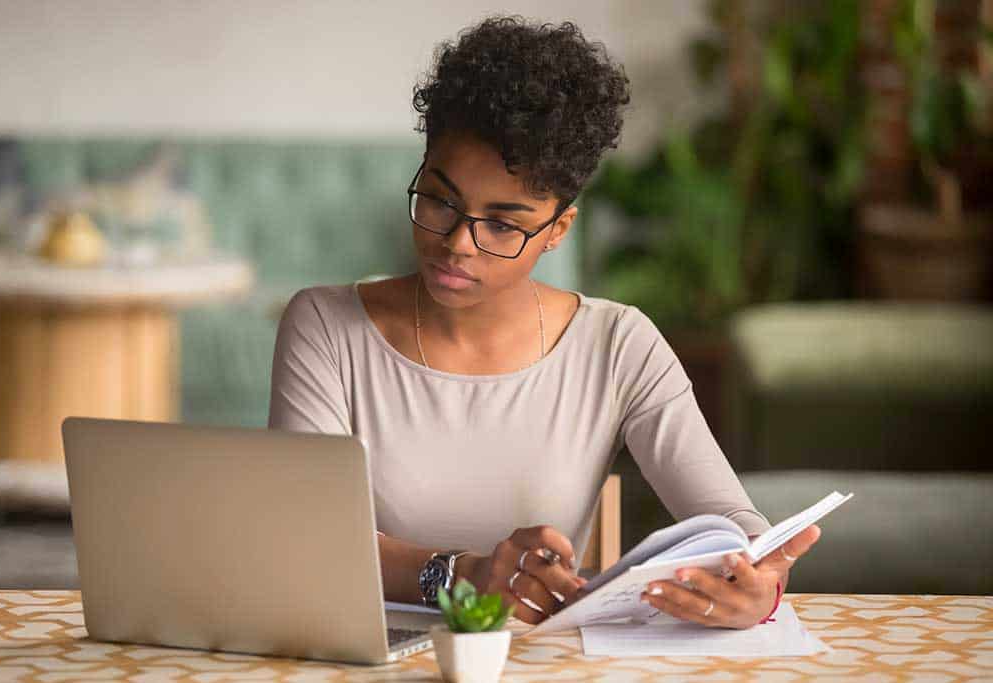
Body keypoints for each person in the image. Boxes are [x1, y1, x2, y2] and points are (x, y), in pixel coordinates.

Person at [268, 15, 820, 629]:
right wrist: (460, 575)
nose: (458, 243)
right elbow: (304, 535)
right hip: (366, 660)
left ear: (557, 230)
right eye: (439, 200)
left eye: (502, 223)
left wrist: (760, 582)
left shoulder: (618, 345)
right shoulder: (323, 327)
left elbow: (729, 517)